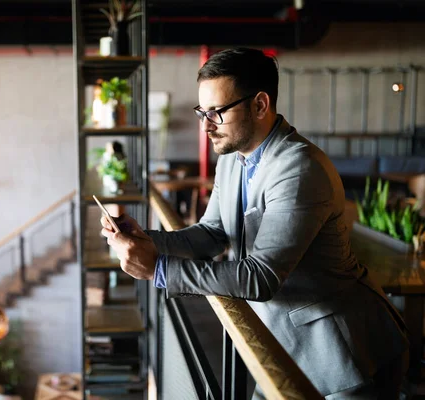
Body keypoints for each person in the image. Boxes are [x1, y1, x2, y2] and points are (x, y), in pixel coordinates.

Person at [100, 48, 409, 399]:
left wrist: (159, 269)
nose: (205, 126)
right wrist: (149, 240)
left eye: (216, 112)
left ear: (260, 105)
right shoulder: (233, 158)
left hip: (344, 357)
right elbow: (213, 233)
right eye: (202, 112)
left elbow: (260, 277)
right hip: (282, 344)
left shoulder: (299, 168)